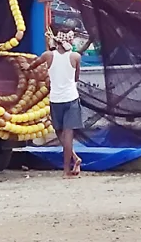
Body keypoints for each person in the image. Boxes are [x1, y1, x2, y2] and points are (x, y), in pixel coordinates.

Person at [27, 29, 83, 178]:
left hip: (56, 99)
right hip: (71, 98)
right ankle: (71, 165)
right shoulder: (75, 57)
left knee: (60, 133)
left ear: (56, 41)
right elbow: (76, 77)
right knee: (68, 134)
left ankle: (69, 166)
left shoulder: (48, 56)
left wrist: (25, 69)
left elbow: (31, 66)